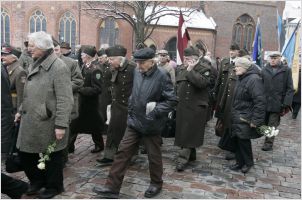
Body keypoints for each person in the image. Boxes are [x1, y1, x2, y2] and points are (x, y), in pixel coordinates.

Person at [92, 47, 177, 198]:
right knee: (122, 153)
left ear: (152, 62)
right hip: (134, 122)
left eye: (142, 63)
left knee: (154, 156)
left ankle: (156, 183)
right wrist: (131, 108)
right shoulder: (138, 72)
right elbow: (134, 93)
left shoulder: (162, 76)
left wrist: (155, 111)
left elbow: (172, 100)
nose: (138, 66)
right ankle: (112, 187)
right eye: (137, 62)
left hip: (151, 124)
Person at [14, 31, 73, 199]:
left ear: (42, 46)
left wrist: (61, 125)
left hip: (48, 120)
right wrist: (20, 111)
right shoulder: (35, 62)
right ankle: (37, 181)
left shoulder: (58, 67)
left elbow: (65, 99)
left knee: (51, 156)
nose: (28, 49)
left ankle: (54, 187)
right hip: (30, 118)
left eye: (32, 46)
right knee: (26, 154)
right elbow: (28, 93)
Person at [174, 46, 212, 172]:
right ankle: (191, 155)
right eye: (185, 58)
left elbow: (202, 83)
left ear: (195, 59)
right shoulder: (181, 69)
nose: (185, 61)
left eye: (188, 59)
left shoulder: (205, 69)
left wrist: (191, 70)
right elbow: (178, 86)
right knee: (185, 132)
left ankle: (182, 159)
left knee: (189, 133)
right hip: (182, 106)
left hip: (196, 107)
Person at [96, 45, 136, 164]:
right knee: (112, 131)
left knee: (127, 134)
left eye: (112, 59)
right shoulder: (112, 68)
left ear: (120, 58)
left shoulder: (133, 68)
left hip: (128, 107)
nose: (109, 61)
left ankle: (129, 157)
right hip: (116, 105)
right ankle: (109, 155)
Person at [229, 57, 266, 173]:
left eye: (237, 66)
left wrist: (256, 120)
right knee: (238, 140)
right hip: (238, 115)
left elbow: (260, 102)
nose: (235, 69)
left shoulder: (254, 79)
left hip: (246, 116)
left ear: (245, 67)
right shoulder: (242, 77)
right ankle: (240, 162)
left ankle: (248, 163)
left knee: (244, 141)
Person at [53, 38, 84, 165]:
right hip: (49, 107)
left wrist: (61, 87)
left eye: (56, 50)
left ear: (60, 49)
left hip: (67, 103)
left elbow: (78, 81)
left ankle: (62, 159)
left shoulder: (71, 63)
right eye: (52, 50)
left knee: (64, 133)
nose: (55, 52)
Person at [69, 45, 104, 153]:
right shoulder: (84, 66)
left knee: (94, 126)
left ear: (88, 56)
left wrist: (81, 89)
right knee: (74, 125)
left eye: (83, 55)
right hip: (81, 102)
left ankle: (99, 145)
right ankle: (69, 146)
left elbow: (98, 89)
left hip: (91, 105)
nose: (81, 56)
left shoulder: (96, 70)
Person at [261, 51, 294, 151]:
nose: (273, 60)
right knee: (265, 123)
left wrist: (286, 104)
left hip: (277, 103)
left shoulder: (286, 70)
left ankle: (268, 143)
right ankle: (267, 137)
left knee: (272, 124)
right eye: (271, 58)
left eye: (275, 58)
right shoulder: (264, 69)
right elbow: (259, 85)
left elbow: (290, 88)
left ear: (279, 58)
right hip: (264, 102)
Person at [214, 43, 240, 160]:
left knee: (228, 118)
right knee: (221, 117)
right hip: (222, 94)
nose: (231, 52)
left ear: (238, 52)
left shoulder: (239, 63)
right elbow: (219, 78)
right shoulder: (224, 62)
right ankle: (222, 135)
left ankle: (226, 140)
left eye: (234, 50)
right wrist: (215, 91)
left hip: (232, 96)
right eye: (230, 50)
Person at [1, 44, 27, 114]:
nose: (2, 57)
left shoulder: (20, 71)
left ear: (14, 58)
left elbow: (21, 95)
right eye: (2, 55)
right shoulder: (5, 68)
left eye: (5, 55)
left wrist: (19, 113)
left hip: (13, 110)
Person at [96, 48, 112, 133]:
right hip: (100, 91)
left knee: (107, 110)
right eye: (98, 58)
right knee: (100, 109)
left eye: (101, 58)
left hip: (108, 92)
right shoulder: (98, 65)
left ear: (106, 57)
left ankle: (107, 128)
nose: (99, 60)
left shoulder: (111, 65)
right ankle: (101, 127)